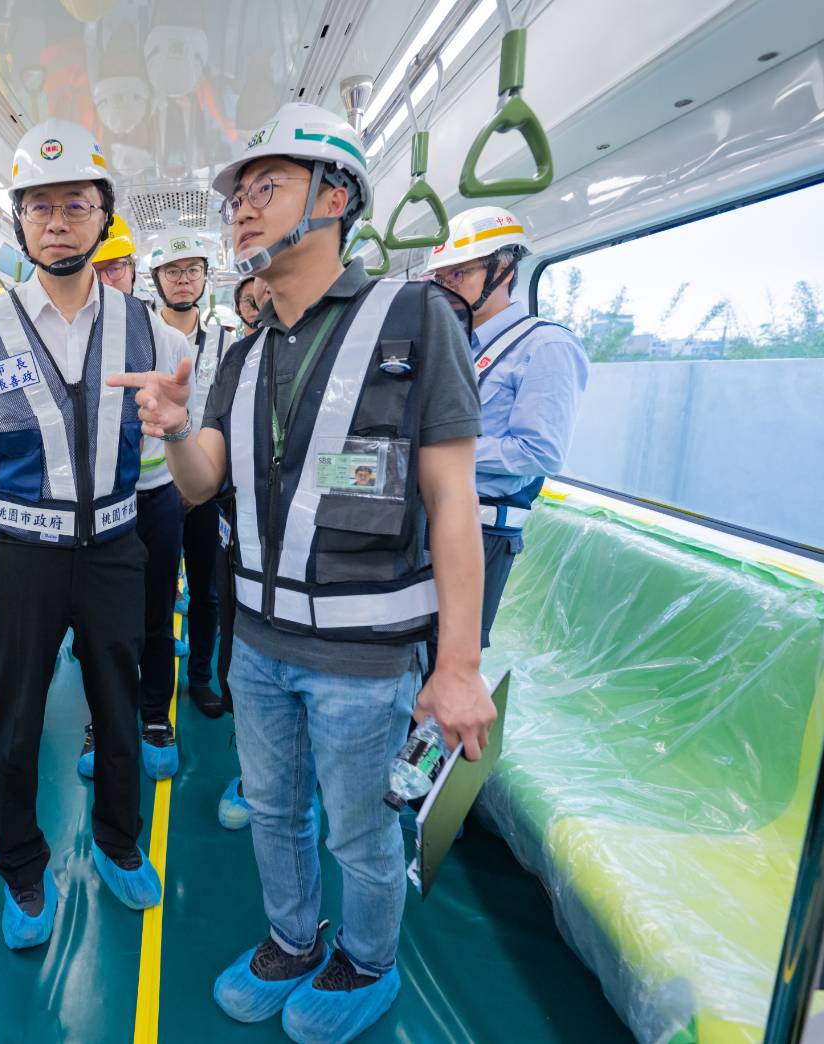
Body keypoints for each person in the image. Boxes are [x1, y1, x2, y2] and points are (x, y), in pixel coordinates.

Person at [109, 101, 495, 1042]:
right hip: (256, 645)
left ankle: (366, 960)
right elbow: (202, 483)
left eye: (266, 187)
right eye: (237, 194)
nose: (241, 209)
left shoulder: (415, 318)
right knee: (275, 813)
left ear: (335, 197)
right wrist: (173, 429)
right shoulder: (241, 355)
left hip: (365, 658)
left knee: (359, 832)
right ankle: (290, 940)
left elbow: (453, 501)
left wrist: (456, 666)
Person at [0, 117, 189, 950]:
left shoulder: (148, 326)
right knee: (12, 722)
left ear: (103, 216)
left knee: (117, 708)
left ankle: (117, 841)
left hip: (115, 546)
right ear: (19, 222)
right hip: (18, 553)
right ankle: (21, 868)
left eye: (75, 205)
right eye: (38, 207)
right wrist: (11, 521)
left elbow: (176, 428)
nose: (56, 222)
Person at [423, 207, 589, 646]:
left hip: (482, 531)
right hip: (424, 518)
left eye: (460, 273)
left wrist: (433, 448)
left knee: (448, 654)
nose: (447, 286)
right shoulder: (451, 344)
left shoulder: (546, 346)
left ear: (504, 270)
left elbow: (540, 452)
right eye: (441, 277)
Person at [80, 220, 194, 781]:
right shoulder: (71, 343)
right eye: (98, 268)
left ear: (132, 272)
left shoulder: (166, 340)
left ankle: (153, 717)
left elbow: (191, 420)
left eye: (117, 267)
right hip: (99, 506)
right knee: (100, 623)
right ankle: (102, 722)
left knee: (154, 614)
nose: (108, 278)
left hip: (155, 500)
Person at [148, 234, 230, 721]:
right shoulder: (141, 338)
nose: (183, 280)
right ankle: (152, 692)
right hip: (154, 489)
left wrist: (203, 482)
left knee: (207, 590)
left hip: (208, 489)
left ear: (205, 277)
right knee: (154, 595)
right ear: (156, 280)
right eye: (173, 271)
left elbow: (226, 414)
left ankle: (200, 677)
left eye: (192, 270)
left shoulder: (225, 343)